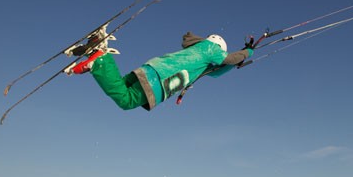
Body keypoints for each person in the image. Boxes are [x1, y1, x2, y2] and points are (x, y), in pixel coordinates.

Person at [70, 31, 253, 111]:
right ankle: (100, 60)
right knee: (126, 100)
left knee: (121, 84)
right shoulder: (211, 50)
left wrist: (231, 66)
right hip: (159, 81)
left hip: (152, 69)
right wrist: (247, 52)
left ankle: (98, 48)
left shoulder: (198, 51)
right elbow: (229, 59)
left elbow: (215, 72)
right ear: (220, 48)